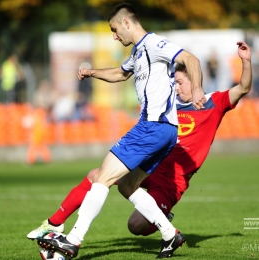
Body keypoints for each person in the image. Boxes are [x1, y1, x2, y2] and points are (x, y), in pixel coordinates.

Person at [29, 41, 251, 258]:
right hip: (152, 163)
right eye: (174, 81)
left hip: (173, 180)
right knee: (97, 175)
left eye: (180, 82)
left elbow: (243, 87)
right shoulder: (168, 105)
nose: (175, 86)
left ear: (194, 82)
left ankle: (162, 221)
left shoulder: (214, 103)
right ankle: (55, 222)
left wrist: (246, 62)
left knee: (135, 226)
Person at [36, 3, 205, 259]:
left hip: (152, 127)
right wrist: (92, 72)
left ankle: (72, 240)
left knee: (102, 176)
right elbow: (120, 73)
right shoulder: (138, 52)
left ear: (127, 23)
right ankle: (170, 234)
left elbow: (190, 59)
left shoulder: (153, 43)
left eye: (115, 29)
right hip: (166, 131)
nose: (115, 36)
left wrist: (198, 90)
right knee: (127, 186)